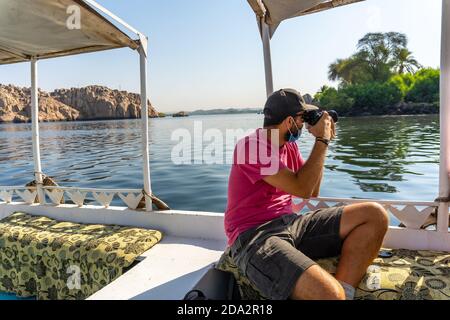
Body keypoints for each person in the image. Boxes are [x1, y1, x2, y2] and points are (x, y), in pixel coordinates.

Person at [224, 88, 389, 300]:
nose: (304, 125)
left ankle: (344, 291)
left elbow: (311, 191)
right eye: (303, 119)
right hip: (254, 235)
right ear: (290, 122)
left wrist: (322, 142)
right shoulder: (251, 147)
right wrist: (322, 141)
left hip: (291, 223)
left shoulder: (288, 146)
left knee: (374, 214)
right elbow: (302, 188)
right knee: (330, 294)